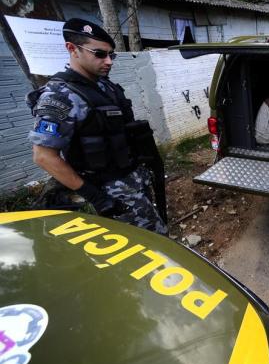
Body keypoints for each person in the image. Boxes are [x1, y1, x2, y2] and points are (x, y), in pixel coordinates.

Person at [26, 18, 167, 235]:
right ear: (72, 49)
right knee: (137, 249)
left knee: (155, 238)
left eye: (112, 54)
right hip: (107, 191)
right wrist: (95, 197)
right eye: (100, 54)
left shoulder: (104, 85)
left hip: (132, 181)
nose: (109, 61)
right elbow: (44, 156)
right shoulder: (59, 97)